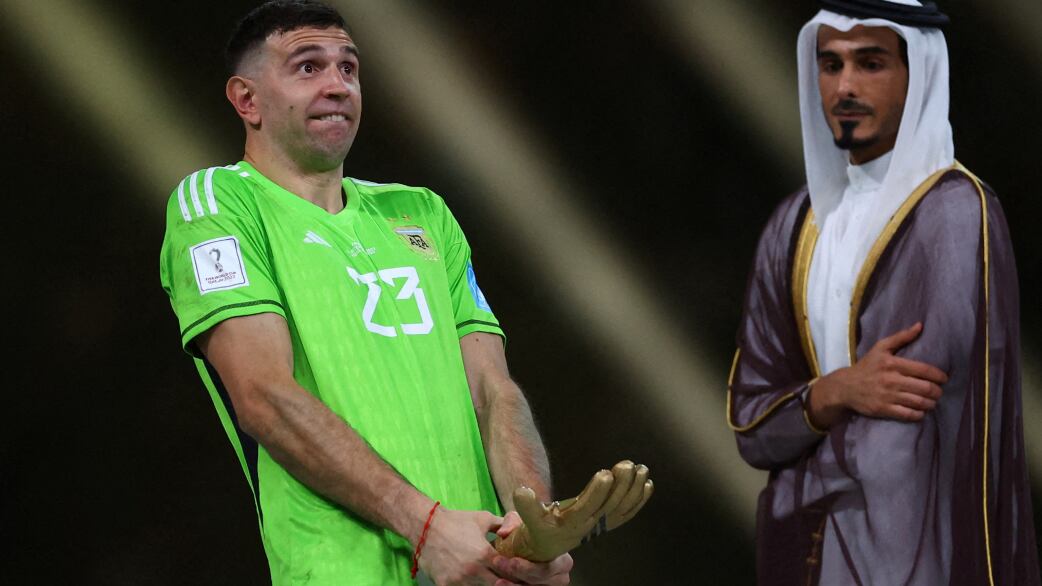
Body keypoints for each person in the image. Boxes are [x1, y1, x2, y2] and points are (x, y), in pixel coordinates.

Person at [159, 1, 573, 584]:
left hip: (482, 567)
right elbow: (263, 395)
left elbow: (493, 388)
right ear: (246, 99)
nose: (337, 86)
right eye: (308, 67)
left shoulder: (421, 213)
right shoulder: (218, 205)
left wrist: (534, 526)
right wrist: (425, 526)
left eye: (348, 69)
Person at [726, 1, 1040, 584]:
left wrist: (808, 422)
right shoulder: (793, 225)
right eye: (830, 64)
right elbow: (750, 424)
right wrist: (838, 391)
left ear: (916, 73)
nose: (844, 86)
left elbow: (906, 421)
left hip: (921, 553)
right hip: (803, 555)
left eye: (869, 63)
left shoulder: (952, 214)